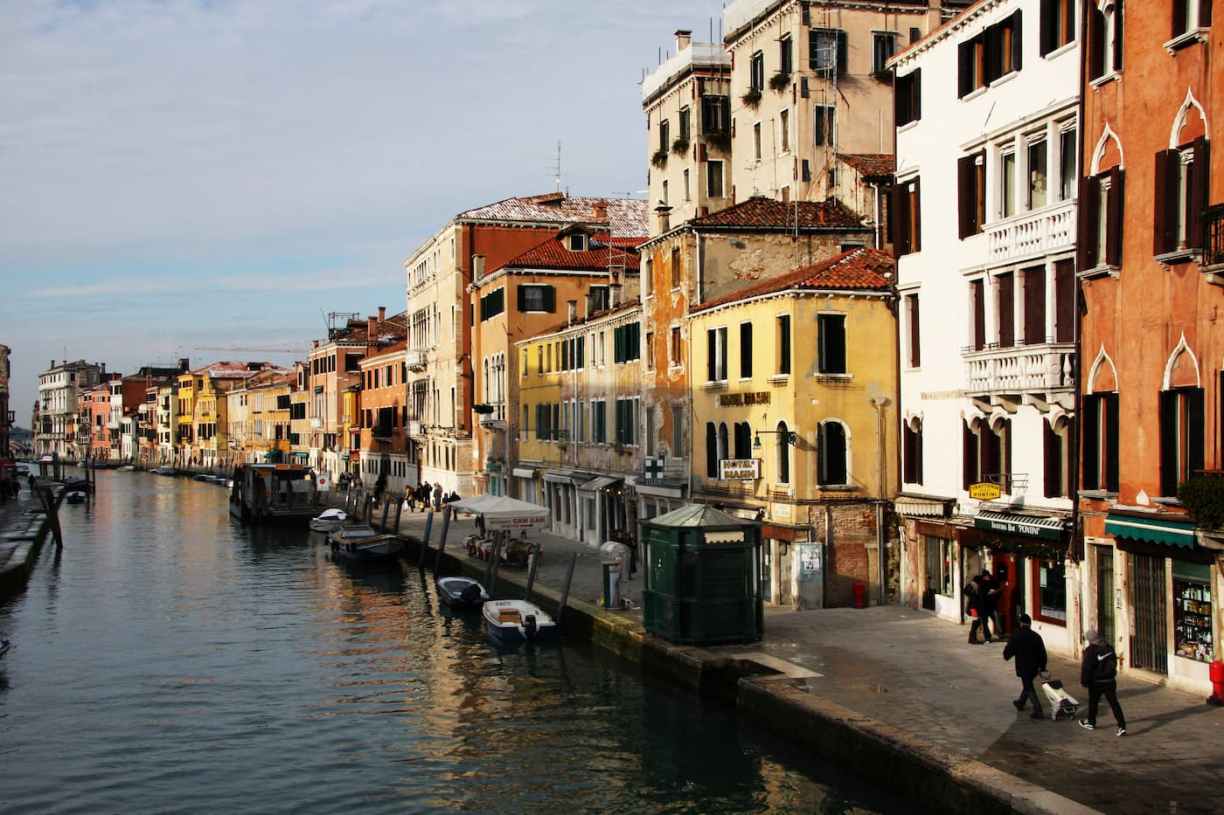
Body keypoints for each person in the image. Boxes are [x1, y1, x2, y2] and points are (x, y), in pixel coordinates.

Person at [1079, 629, 1127, 736]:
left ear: (1090, 640)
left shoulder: (1090, 650)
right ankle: (1122, 726)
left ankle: (1091, 722)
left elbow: (1087, 667)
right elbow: (1113, 663)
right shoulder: (1109, 648)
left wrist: (1084, 681)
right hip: (1110, 681)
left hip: (1096, 682)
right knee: (1114, 703)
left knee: (1093, 702)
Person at [1003, 613, 1047, 719]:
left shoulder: (1017, 635)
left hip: (1023, 666)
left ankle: (1038, 710)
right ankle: (1021, 702)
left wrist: (1006, 656)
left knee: (1028, 686)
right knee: (1028, 683)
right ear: (1030, 624)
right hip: (1034, 667)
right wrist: (1042, 667)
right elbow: (1043, 653)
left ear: (1021, 623)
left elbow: (1008, 651)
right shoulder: (1036, 636)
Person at [966, 575, 992, 644]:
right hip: (974, 608)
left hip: (974, 607)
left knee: (975, 623)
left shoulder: (975, 587)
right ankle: (972, 639)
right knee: (975, 623)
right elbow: (976, 599)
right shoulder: (975, 587)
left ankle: (973, 638)